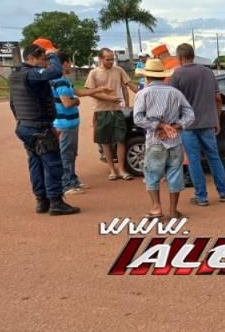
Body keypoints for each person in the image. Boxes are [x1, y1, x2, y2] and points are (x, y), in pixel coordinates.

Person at [9, 39, 79, 215]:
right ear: (33, 58)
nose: (47, 63)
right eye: (44, 60)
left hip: (25, 126)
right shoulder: (31, 74)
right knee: (52, 163)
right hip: (39, 127)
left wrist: (23, 121)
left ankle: (42, 201)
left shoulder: (15, 75)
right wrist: (53, 53)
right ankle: (55, 202)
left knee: (36, 163)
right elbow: (55, 72)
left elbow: (13, 104)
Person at [169, 43, 225, 206]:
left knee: (194, 160)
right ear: (193, 55)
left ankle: (201, 196)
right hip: (208, 123)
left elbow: (172, 102)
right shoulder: (208, 72)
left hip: (187, 126)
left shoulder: (177, 75)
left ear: (180, 57)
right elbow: (217, 98)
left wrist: (174, 123)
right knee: (214, 157)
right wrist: (216, 119)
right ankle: (224, 192)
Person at [133, 59, 195, 218]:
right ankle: (173, 211)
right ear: (163, 76)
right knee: (175, 174)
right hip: (174, 141)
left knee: (152, 175)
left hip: (154, 141)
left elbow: (138, 119)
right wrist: (174, 126)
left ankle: (156, 208)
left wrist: (159, 126)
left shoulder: (143, 93)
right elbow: (190, 115)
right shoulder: (175, 93)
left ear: (147, 77)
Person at [50, 51, 114, 195]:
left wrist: (99, 89)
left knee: (71, 153)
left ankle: (73, 180)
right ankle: (67, 184)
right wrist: (76, 102)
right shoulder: (59, 81)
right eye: (69, 63)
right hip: (64, 123)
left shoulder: (64, 80)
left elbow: (79, 92)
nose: (71, 66)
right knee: (66, 154)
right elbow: (67, 103)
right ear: (64, 63)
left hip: (70, 122)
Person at [86, 48, 140, 181]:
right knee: (105, 142)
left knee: (121, 139)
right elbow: (91, 92)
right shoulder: (94, 73)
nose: (111, 62)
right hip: (101, 111)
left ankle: (121, 169)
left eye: (112, 59)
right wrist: (109, 99)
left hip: (117, 110)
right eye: (108, 59)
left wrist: (144, 93)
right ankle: (112, 170)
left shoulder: (119, 70)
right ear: (100, 59)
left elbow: (129, 86)